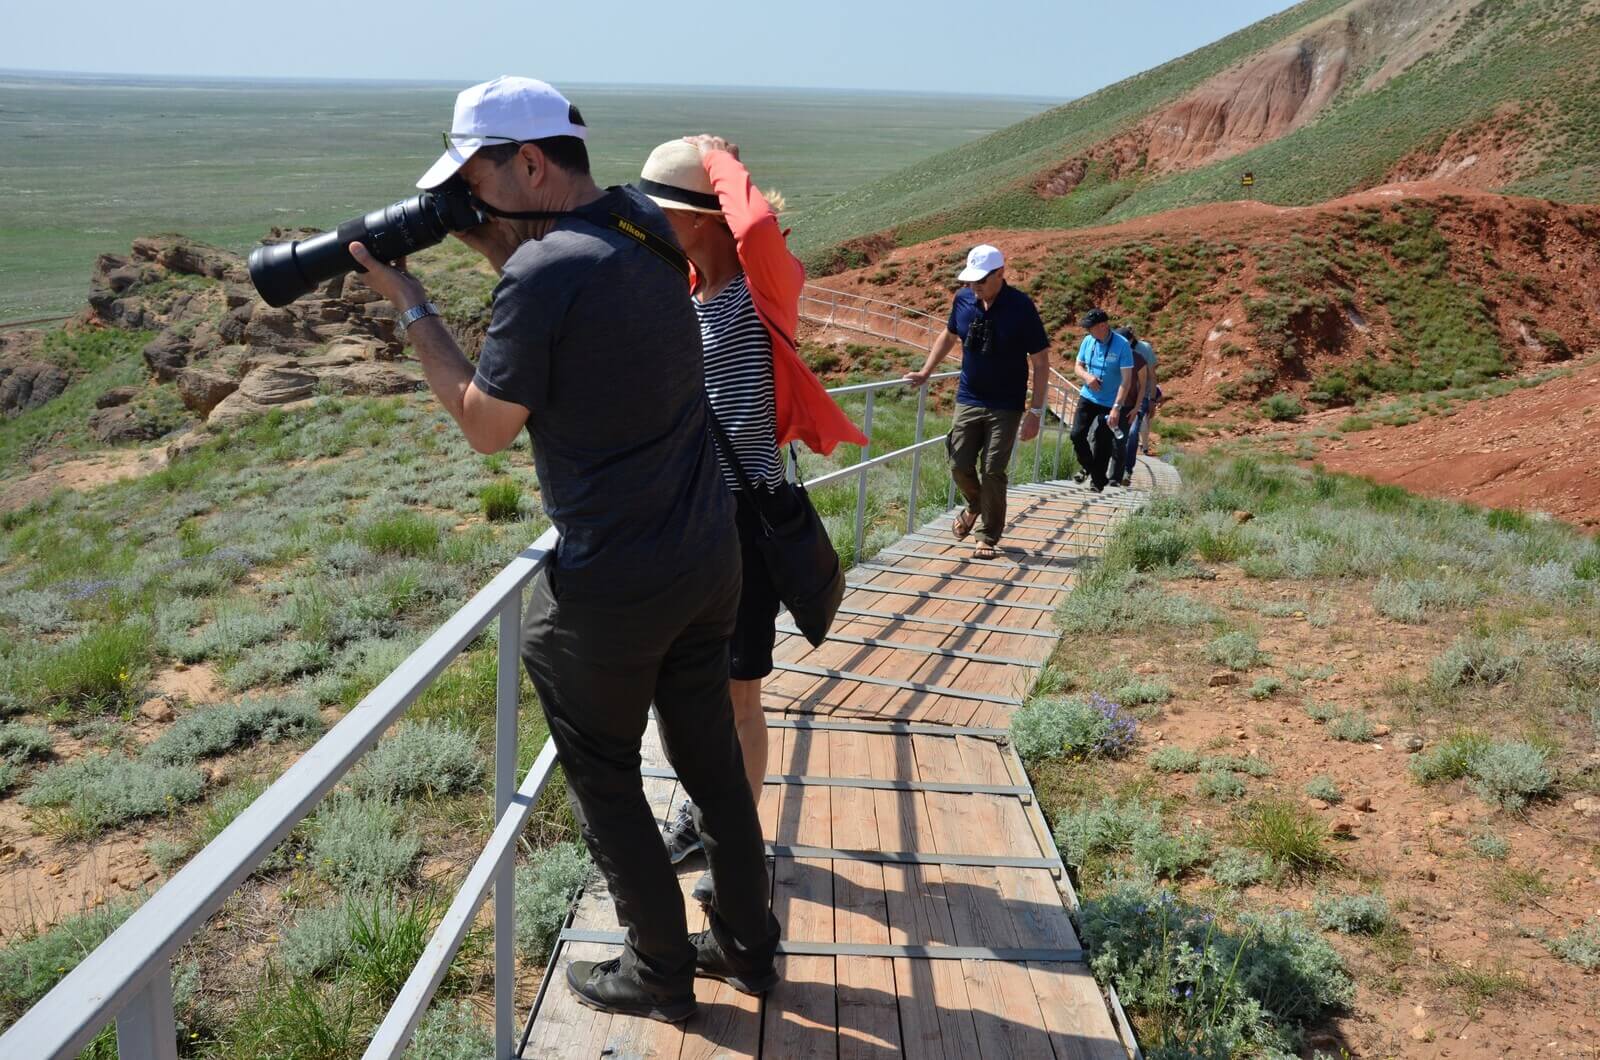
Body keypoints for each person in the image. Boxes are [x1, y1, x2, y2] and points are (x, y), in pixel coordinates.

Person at [346, 75, 778, 1024]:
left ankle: (662, 973)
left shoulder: (542, 276)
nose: (468, 200)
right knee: (710, 765)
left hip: (615, 584)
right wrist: (492, 230)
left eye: (476, 179)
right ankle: (750, 947)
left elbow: (486, 424)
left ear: (530, 161)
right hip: (708, 556)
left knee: (607, 778)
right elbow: (587, 290)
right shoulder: (641, 223)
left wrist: (413, 300)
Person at [639, 135, 865, 903]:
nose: (649, 225)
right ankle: (701, 815)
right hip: (685, 523)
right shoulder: (689, 296)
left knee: (738, 695)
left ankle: (736, 847)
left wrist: (714, 159)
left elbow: (760, 229)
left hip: (742, 528)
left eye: (661, 213)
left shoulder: (761, 291)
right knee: (680, 692)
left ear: (703, 220)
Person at [905, 244, 1050, 558]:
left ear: (1001, 273)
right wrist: (926, 371)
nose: (975, 286)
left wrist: (1036, 410)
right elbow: (949, 335)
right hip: (969, 397)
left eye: (981, 280)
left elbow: (1040, 361)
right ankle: (975, 504)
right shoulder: (963, 299)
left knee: (993, 469)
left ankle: (987, 535)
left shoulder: (1021, 307)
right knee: (958, 463)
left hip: (1006, 403)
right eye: (970, 280)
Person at [1069, 307, 1133, 492]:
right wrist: (1088, 377)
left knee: (1102, 440)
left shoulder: (1122, 346)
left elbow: (1126, 381)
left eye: (1091, 327)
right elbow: (1078, 366)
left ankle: (1097, 482)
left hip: (1109, 402)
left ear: (1103, 325)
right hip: (1088, 396)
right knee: (1076, 435)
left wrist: (1116, 408)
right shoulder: (1088, 341)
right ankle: (1091, 468)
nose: (1088, 331)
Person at [1108, 325, 1151, 487]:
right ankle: (1109, 472)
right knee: (1109, 437)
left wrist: (1137, 407)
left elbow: (1142, 385)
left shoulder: (1139, 359)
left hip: (1132, 406)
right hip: (1111, 405)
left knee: (1130, 437)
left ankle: (1126, 471)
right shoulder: (1113, 356)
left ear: (1130, 341)